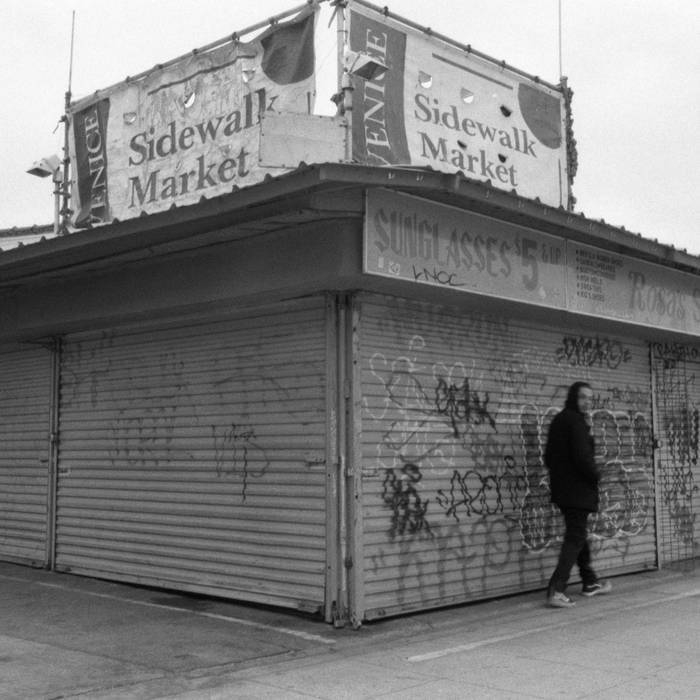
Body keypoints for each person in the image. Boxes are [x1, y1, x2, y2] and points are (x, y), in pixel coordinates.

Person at [545, 381, 612, 608]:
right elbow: (583, 459)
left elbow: (548, 458)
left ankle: (589, 581)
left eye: (590, 398)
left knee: (578, 533)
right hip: (578, 491)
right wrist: (596, 475)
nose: (587, 402)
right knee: (575, 536)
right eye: (583, 397)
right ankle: (557, 589)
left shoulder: (559, 420)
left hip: (564, 491)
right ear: (574, 397)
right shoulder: (575, 422)